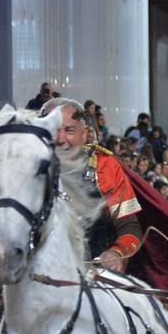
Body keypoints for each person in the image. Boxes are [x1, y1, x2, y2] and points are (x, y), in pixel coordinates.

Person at [44, 98, 144, 271]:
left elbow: (129, 227)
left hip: (95, 277)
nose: (59, 139)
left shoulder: (106, 167)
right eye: (52, 130)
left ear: (84, 134)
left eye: (69, 130)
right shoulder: (25, 170)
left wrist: (116, 253)